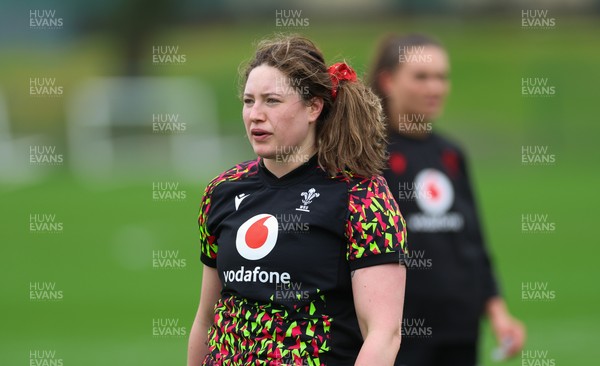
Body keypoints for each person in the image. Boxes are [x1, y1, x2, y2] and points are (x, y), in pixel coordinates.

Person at [187, 35, 408, 366]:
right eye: (249, 101)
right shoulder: (223, 189)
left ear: (313, 107)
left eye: (272, 101)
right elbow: (207, 318)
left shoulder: (361, 197)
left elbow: (383, 332)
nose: (255, 115)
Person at [368, 34, 526, 366]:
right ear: (388, 81)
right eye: (422, 77)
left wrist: (498, 313)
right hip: (398, 335)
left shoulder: (451, 154)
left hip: (459, 330)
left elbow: (472, 243)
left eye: (441, 77)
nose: (435, 88)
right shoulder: (368, 157)